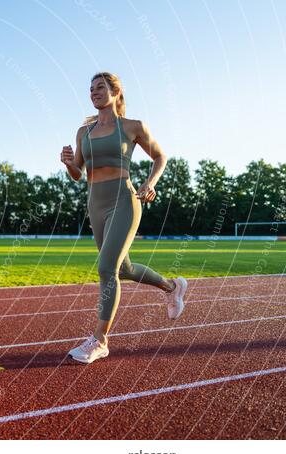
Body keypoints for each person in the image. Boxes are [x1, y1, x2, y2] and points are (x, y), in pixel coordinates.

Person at [59, 72, 188, 364]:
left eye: (100, 87)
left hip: (124, 201)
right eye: (90, 89)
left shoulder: (133, 126)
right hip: (96, 204)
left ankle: (100, 340)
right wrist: (68, 163)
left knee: (107, 268)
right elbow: (79, 174)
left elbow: (160, 156)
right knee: (124, 268)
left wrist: (150, 182)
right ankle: (172, 287)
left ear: (115, 92)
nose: (94, 92)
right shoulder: (84, 132)